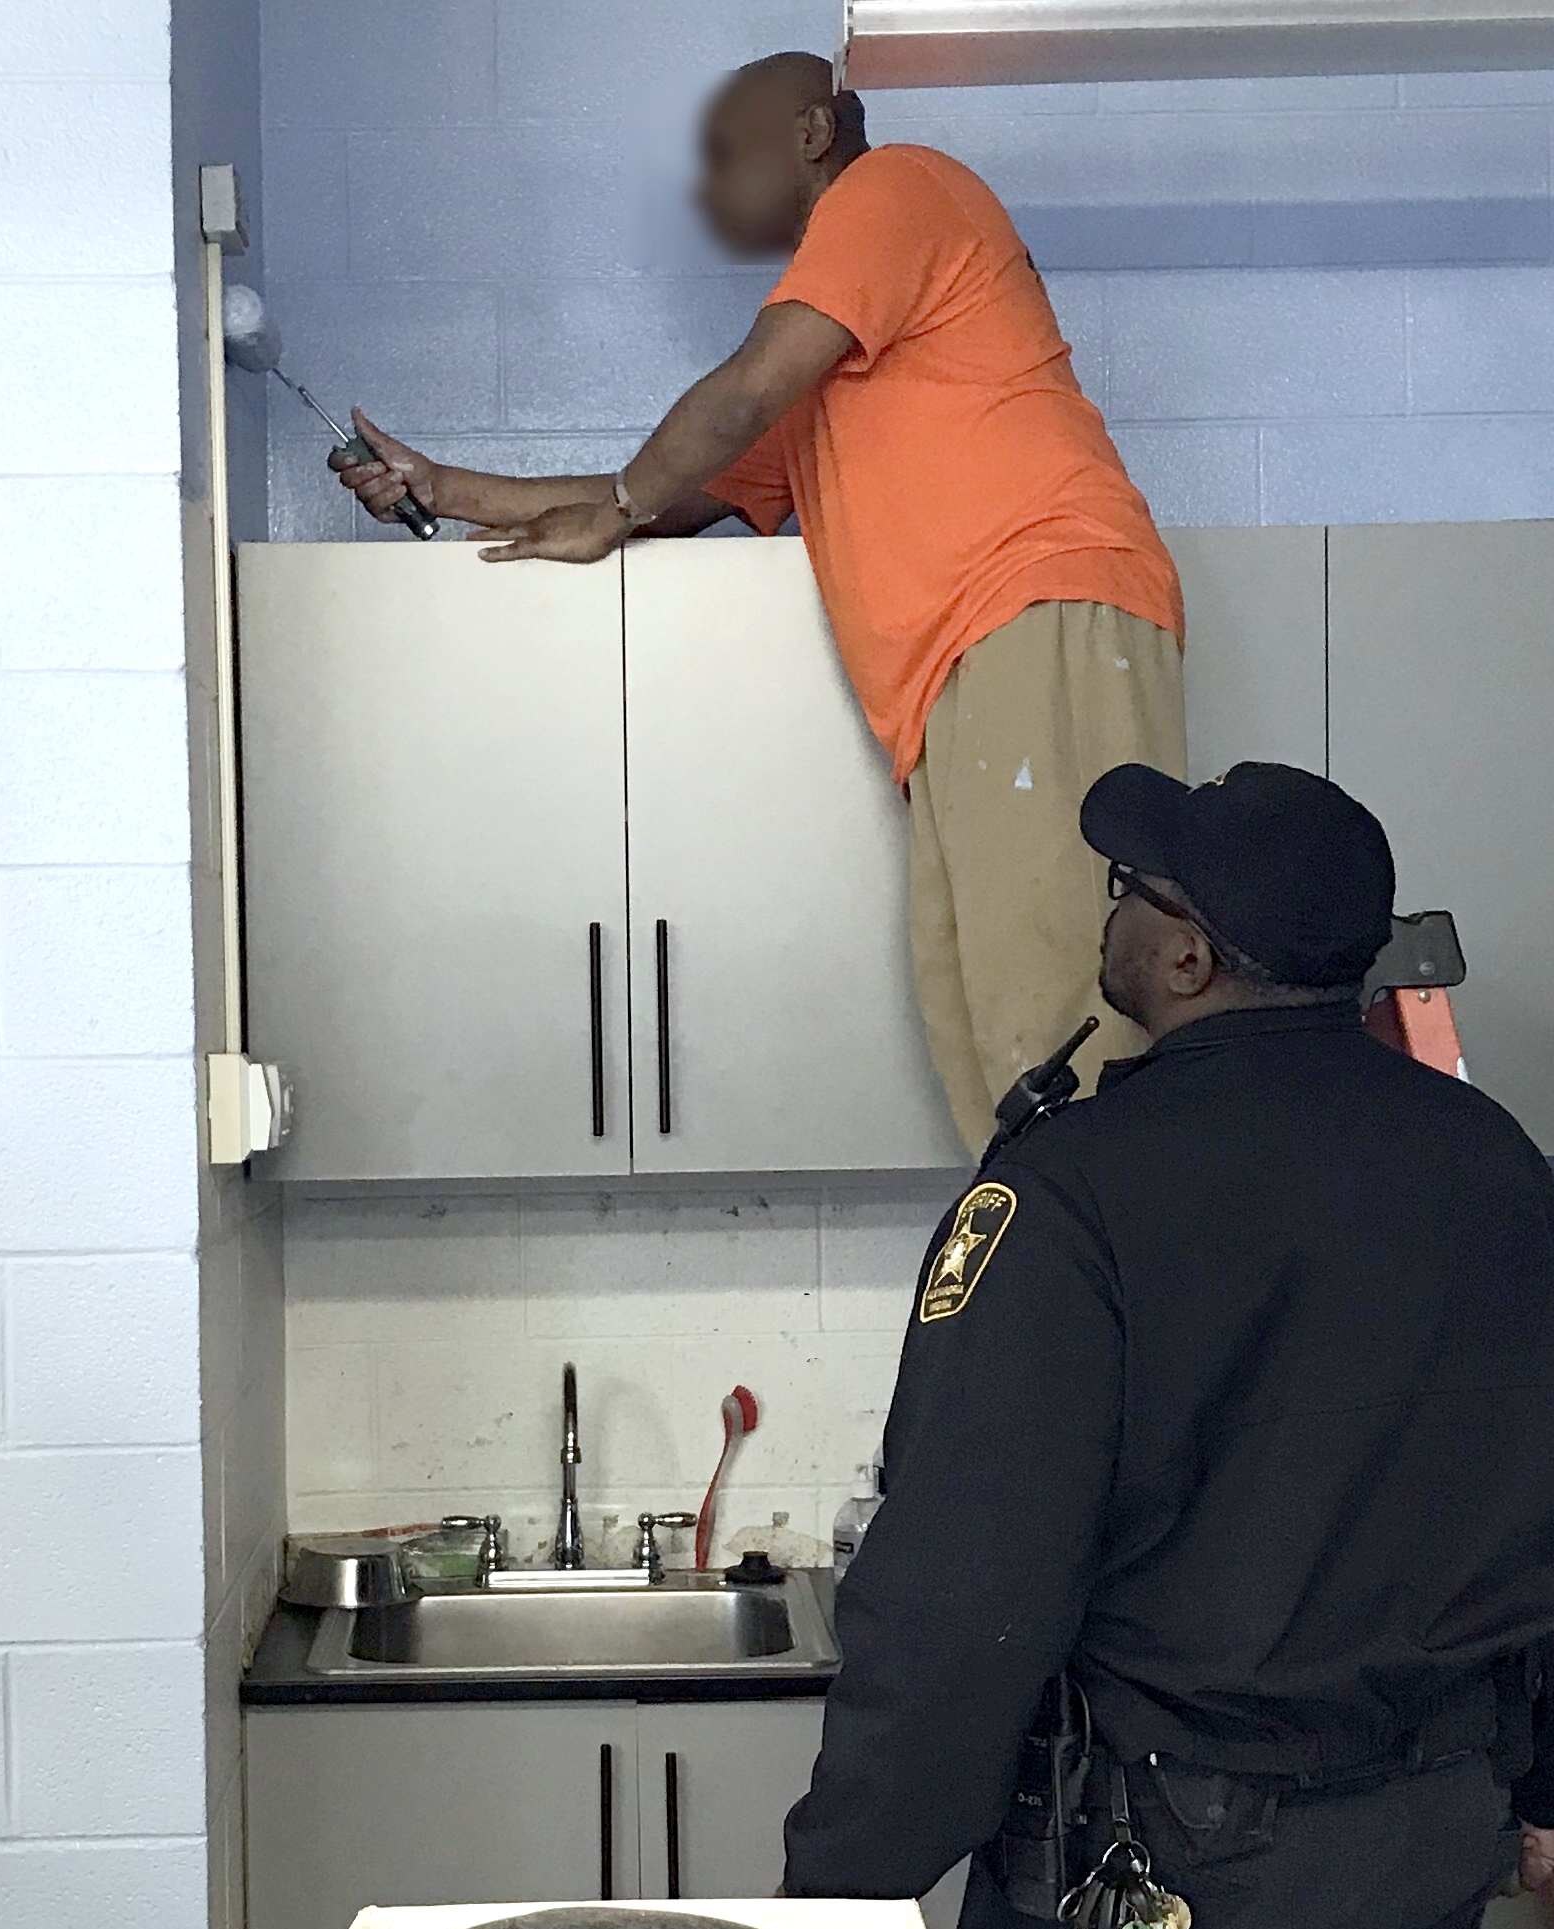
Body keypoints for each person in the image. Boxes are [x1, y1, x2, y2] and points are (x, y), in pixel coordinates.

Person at [780, 763, 1554, 1929]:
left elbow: (961, 1604)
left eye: (1126, 890)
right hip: (1426, 1845)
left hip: (1164, 1882)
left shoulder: (1069, 1196)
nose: (1110, 914)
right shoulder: (1485, 1156)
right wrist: (1537, 1782)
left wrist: (834, 1901)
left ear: (1187, 958)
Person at [335, 51, 1185, 1153]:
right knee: (987, 1034)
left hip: (1041, 602)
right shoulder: (840, 359)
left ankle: (1135, 1305)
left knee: (1065, 1004)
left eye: (723, 152)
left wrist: (628, 499)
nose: (702, 188)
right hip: (960, 678)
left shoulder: (898, 191)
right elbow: (659, 497)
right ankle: (1050, 1290)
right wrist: (439, 490)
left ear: (811, 133)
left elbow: (730, 404)